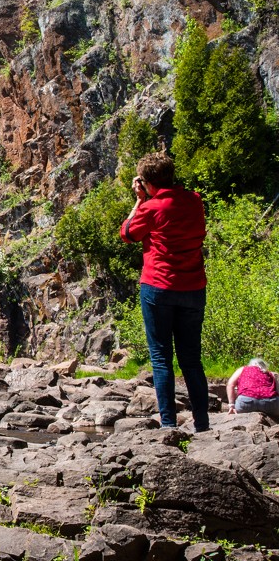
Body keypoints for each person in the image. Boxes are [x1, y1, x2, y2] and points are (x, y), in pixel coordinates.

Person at [119, 152, 209, 431]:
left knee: (161, 357)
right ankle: (202, 424)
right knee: (191, 358)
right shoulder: (195, 200)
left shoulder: (151, 207)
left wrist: (139, 200)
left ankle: (168, 425)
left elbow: (127, 233)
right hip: (193, 286)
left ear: (146, 183)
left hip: (158, 286)